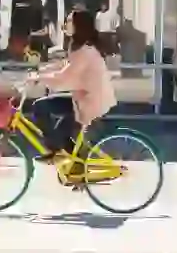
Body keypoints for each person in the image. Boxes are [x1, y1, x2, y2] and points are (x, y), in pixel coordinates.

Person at [29, 10, 117, 178]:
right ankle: (64, 155)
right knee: (42, 107)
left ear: (79, 26)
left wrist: (40, 77)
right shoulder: (77, 46)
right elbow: (65, 64)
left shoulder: (87, 51)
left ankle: (71, 160)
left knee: (59, 127)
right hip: (81, 97)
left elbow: (65, 76)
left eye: (69, 21)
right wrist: (40, 70)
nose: (65, 24)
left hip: (92, 102)